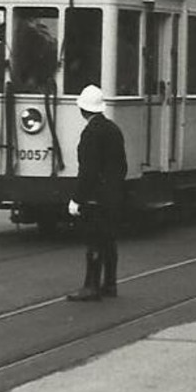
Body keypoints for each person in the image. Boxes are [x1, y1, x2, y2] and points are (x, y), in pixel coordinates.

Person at [65, 84, 127, 302]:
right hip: (113, 195)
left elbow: (88, 171)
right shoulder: (113, 129)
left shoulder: (91, 133)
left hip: (96, 198)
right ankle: (109, 284)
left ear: (83, 110)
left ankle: (91, 286)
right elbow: (122, 167)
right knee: (109, 240)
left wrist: (77, 199)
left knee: (93, 240)